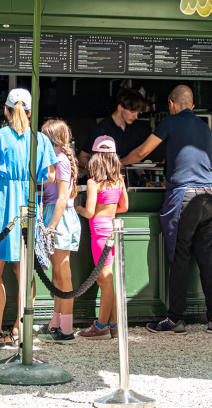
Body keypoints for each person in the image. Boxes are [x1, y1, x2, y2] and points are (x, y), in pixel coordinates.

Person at [121, 85, 212, 334]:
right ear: (192, 104)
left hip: (184, 199)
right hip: (208, 198)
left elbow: (142, 152)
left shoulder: (171, 121)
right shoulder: (204, 127)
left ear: (171, 104)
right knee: (207, 261)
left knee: (179, 259)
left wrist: (117, 162)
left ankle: (175, 318)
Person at [0, 88, 57, 350]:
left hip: (4, 205)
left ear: (6, 110)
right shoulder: (41, 140)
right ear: (29, 113)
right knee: (24, 271)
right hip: (28, 206)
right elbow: (49, 176)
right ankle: (19, 331)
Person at [74, 135, 129, 339]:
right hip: (112, 228)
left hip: (99, 231)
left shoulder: (93, 182)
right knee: (106, 279)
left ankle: (101, 326)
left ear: (95, 158)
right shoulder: (119, 180)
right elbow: (124, 207)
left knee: (104, 279)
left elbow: (88, 212)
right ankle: (114, 325)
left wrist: (76, 207)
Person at [37, 119, 82, 344]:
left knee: (63, 275)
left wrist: (51, 227)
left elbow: (63, 198)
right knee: (57, 275)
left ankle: (66, 328)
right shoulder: (58, 159)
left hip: (59, 219)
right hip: (55, 216)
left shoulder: (61, 160)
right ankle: (56, 323)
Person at [78, 88, 146, 170]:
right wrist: (101, 171)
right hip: (107, 181)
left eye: (138, 112)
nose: (136, 116)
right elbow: (82, 158)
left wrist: (143, 176)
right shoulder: (101, 129)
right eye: (132, 112)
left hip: (132, 181)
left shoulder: (136, 129)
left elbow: (137, 160)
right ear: (120, 107)